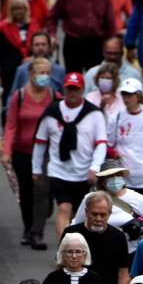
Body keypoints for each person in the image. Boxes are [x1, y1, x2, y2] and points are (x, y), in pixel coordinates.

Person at [32, 72, 108, 237]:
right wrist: (36, 168)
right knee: (64, 208)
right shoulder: (52, 112)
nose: (72, 93)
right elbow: (40, 142)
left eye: (76, 89)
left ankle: (77, 246)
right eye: (69, 89)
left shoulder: (94, 114)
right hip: (58, 171)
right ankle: (63, 247)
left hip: (83, 173)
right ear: (64, 90)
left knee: (78, 215)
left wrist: (95, 167)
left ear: (82, 90)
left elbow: (101, 143)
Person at [2, 52, 55, 249]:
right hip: (22, 152)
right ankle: (28, 227)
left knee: (41, 190)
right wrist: (6, 151)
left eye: (47, 73)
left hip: (46, 153)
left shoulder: (53, 96)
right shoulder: (20, 96)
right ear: (31, 74)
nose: (44, 76)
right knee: (25, 193)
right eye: (41, 72)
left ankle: (36, 232)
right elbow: (11, 125)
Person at [69, 159, 143, 253]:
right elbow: (76, 224)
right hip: (97, 250)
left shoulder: (135, 197)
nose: (115, 179)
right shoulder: (90, 198)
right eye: (110, 176)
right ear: (102, 181)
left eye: (118, 175)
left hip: (130, 252)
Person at [47, 0, 117, 73]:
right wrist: (52, 35)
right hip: (73, 44)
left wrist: (111, 43)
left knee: (94, 78)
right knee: (73, 78)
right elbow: (53, 16)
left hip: (95, 44)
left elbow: (110, 22)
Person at [65, 191, 132, 284]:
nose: (98, 219)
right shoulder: (71, 233)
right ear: (86, 212)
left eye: (103, 215)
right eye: (94, 214)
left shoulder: (119, 237)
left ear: (110, 214)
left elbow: (123, 273)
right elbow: (61, 267)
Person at [104, 77, 143, 201]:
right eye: (124, 94)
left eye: (130, 95)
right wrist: (114, 153)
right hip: (125, 177)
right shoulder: (116, 117)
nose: (126, 98)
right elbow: (107, 145)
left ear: (139, 95)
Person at [0, 0, 35, 117]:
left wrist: (32, 59)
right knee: (8, 98)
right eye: (16, 8)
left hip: (29, 69)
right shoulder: (2, 28)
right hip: (9, 70)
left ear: (26, 9)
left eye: (21, 8)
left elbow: (40, 47)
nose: (19, 11)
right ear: (11, 10)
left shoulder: (33, 26)